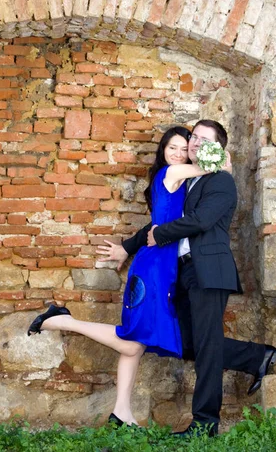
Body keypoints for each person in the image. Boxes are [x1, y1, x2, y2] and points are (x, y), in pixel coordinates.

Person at [101, 119, 276, 437]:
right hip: (181, 272)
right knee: (184, 341)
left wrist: (161, 235)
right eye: (193, 136)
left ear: (218, 149)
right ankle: (257, 356)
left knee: (207, 346)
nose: (196, 142)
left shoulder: (221, 181)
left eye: (204, 139)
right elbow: (161, 222)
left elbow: (201, 220)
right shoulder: (187, 182)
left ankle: (204, 424)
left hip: (209, 271)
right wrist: (129, 246)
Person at [27, 126, 215, 427]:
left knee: (136, 344)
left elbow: (159, 223)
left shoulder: (176, 177)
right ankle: (60, 320)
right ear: (163, 151)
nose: (178, 154)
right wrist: (223, 159)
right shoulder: (173, 174)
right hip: (153, 270)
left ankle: (121, 412)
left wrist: (127, 247)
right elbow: (210, 166)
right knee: (131, 341)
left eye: (183, 148)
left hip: (160, 267)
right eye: (173, 148)